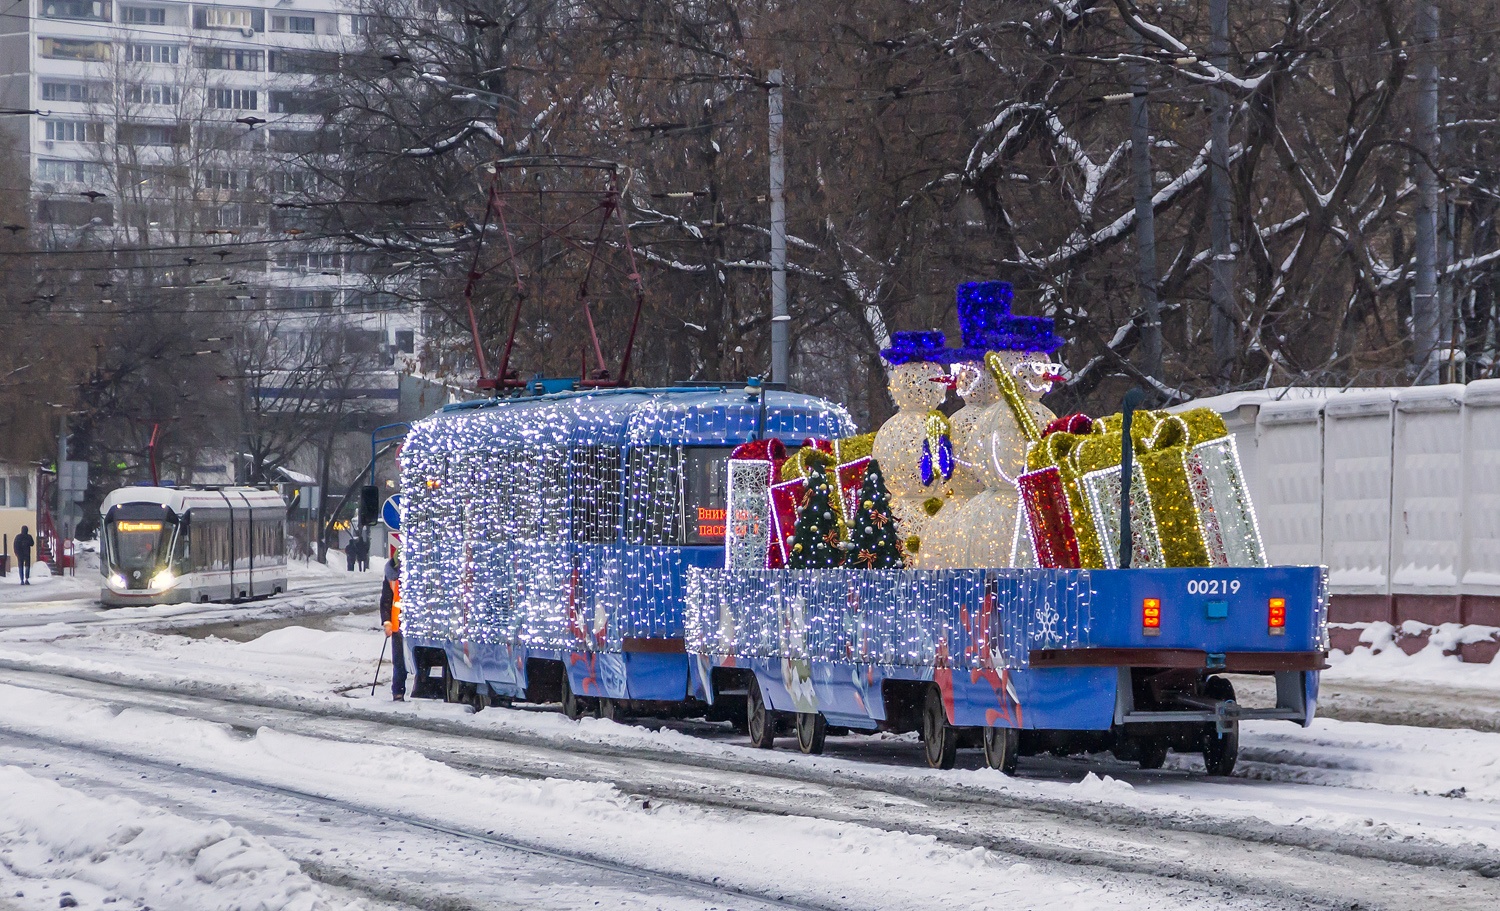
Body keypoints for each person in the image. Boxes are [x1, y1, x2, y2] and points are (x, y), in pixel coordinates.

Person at [379, 552, 406, 701]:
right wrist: (387, 622)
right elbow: (386, 601)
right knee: (399, 661)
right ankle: (398, 692)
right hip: (398, 625)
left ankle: (399, 691)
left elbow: (386, 601)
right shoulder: (391, 578)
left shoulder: (392, 575)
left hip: (401, 625)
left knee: (400, 661)